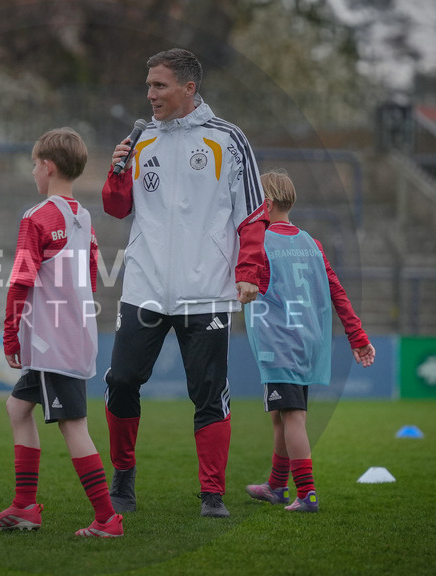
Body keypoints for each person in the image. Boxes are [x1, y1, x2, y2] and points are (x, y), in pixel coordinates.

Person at [101, 48, 268, 518]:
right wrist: (117, 169)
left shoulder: (229, 139)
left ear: (189, 88)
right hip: (144, 285)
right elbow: (116, 208)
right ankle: (123, 479)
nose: (149, 94)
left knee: (208, 392)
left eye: (159, 85)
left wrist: (250, 272)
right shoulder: (141, 140)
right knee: (121, 379)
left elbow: (252, 214)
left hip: (207, 289)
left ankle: (212, 494)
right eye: (148, 85)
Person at [0, 128, 123, 538]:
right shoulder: (83, 216)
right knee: (17, 408)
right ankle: (24, 507)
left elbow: (20, 280)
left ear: (49, 166)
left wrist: (11, 337)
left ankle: (106, 519)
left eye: (34, 165)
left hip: (49, 341)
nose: (33, 172)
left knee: (73, 425)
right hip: (71, 335)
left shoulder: (36, 216)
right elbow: (91, 276)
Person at [243, 169, 375, 513]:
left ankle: (307, 494)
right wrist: (357, 336)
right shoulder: (311, 243)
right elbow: (337, 291)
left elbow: (246, 283)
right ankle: (275, 485)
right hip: (307, 342)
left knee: (293, 418)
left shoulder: (260, 244)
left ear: (266, 204)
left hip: (280, 344)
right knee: (281, 417)